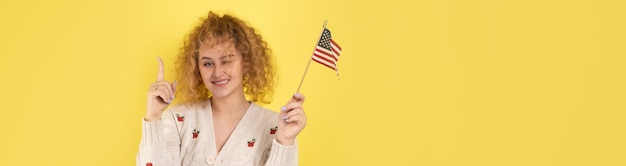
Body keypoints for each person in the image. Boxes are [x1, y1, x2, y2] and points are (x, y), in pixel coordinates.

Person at [137, 11, 307, 166]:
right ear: (198, 68)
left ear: (246, 62)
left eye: (226, 60)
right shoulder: (178, 120)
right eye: (208, 63)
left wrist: (285, 142)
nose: (218, 72)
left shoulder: (275, 127)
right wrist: (153, 118)